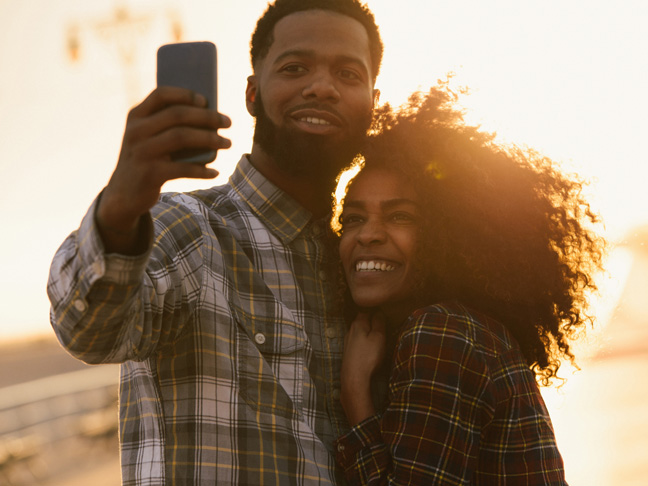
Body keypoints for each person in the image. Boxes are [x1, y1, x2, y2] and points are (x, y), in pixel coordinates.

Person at [47, 0, 383, 484]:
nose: (321, 87)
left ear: (373, 102)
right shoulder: (192, 228)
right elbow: (85, 327)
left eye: (348, 74)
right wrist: (121, 207)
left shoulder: (362, 268)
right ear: (251, 94)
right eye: (295, 67)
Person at [332, 87, 606, 484]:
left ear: (450, 234)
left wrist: (354, 394)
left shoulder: (443, 333)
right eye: (352, 219)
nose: (367, 235)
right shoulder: (465, 330)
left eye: (401, 217)